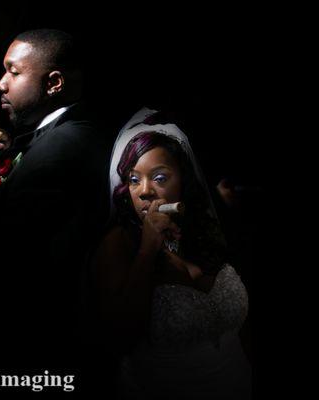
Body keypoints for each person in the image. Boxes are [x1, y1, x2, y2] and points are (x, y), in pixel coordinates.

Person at [0, 29, 111, 370]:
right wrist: (8, 150)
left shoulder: (58, 151)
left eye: (14, 72)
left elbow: (0, 255)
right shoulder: (70, 133)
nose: (1, 83)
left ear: (54, 83)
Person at [92, 108, 251, 399]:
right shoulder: (118, 245)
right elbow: (117, 339)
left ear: (185, 181)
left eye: (160, 178)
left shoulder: (204, 231)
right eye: (133, 179)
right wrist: (148, 250)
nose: (144, 192)